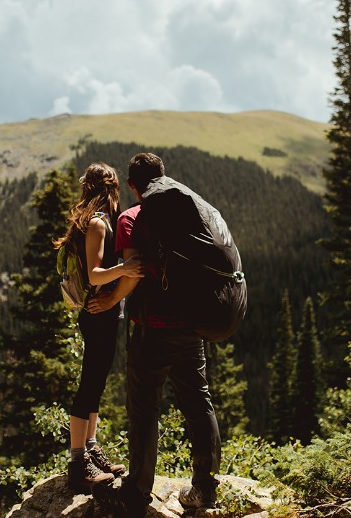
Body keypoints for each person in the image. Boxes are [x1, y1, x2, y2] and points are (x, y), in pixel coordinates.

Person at [88, 153, 222, 517]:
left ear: (133, 186)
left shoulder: (132, 218)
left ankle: (136, 493)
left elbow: (132, 274)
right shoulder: (189, 213)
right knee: (198, 402)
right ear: (163, 177)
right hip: (192, 328)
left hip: (150, 330)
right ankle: (205, 489)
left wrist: (110, 301)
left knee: (144, 410)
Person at [54, 162, 145, 493]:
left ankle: (90, 449)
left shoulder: (96, 221)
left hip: (102, 314)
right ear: (109, 188)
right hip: (96, 313)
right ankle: (78, 463)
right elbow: (94, 275)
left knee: (95, 384)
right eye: (114, 187)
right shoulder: (97, 224)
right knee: (89, 385)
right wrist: (125, 268)